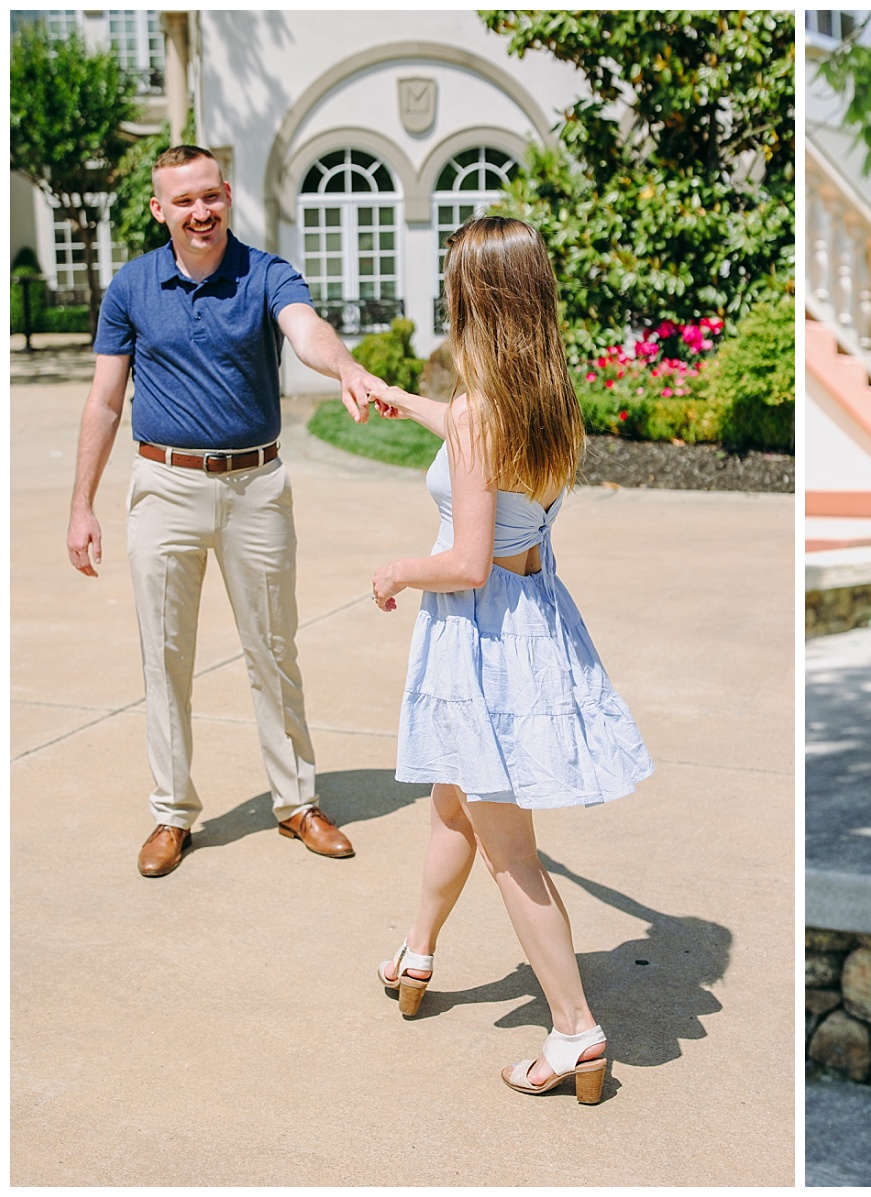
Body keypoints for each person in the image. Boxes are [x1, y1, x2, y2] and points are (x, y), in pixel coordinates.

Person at [369, 216, 652, 1103]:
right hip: (527, 626)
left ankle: (576, 1030)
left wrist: (395, 570)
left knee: (510, 852)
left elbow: (463, 559)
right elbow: (469, 440)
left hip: (479, 640)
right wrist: (391, 395)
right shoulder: (545, 398)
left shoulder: (479, 414)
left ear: (476, 300)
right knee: (452, 809)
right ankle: (416, 954)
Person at [67, 144, 385, 878]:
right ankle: (171, 812)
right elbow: (106, 400)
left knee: (274, 649)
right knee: (165, 656)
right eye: (183, 201)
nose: (200, 211)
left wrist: (345, 366)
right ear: (159, 210)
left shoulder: (265, 272)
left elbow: (305, 328)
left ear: (227, 195)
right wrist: (81, 505)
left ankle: (297, 800)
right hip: (164, 486)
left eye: (210, 196)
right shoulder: (131, 287)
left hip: (256, 488)